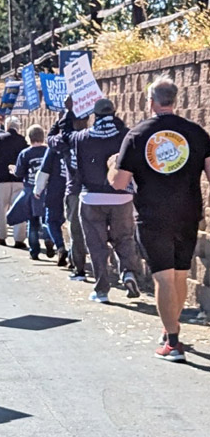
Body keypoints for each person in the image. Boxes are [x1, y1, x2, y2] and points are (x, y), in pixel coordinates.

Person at [110, 76, 210, 362]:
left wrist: (109, 166)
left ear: (150, 100)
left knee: (164, 277)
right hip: (188, 213)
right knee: (179, 275)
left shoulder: (138, 135)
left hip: (153, 216)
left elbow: (119, 182)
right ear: (175, 100)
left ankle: (174, 343)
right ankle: (171, 331)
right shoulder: (196, 133)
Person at [70, 98, 140, 303]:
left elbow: (75, 168)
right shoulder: (127, 135)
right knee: (124, 238)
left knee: (97, 244)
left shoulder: (81, 137)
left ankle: (102, 289)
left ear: (95, 114)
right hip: (122, 196)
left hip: (91, 197)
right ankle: (128, 272)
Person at [48, 100, 88, 280]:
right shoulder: (91, 137)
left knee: (76, 230)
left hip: (74, 190)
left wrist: (65, 113)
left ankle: (79, 268)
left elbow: (50, 137)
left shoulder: (64, 140)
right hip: (94, 189)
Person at [0, 116, 28, 247]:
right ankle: (19, 239)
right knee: (19, 210)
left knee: (0, 210)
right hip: (18, 180)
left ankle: (1, 236)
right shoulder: (22, 140)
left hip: (1, 179)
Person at [15, 125, 48, 260]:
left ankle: (34, 251)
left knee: (32, 221)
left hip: (30, 190)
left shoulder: (25, 154)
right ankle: (49, 240)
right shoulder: (49, 151)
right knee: (48, 219)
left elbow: (19, 173)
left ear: (29, 138)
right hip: (48, 189)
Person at [34, 147, 69, 267]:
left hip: (55, 189)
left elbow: (44, 170)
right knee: (73, 223)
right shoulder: (81, 139)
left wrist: (38, 189)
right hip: (74, 189)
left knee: (51, 221)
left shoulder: (55, 147)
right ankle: (74, 254)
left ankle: (60, 246)